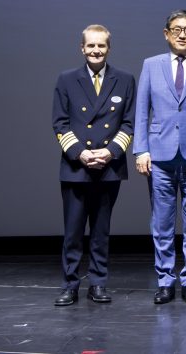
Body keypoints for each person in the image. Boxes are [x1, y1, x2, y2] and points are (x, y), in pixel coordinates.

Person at [133, 10, 186, 305]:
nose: (182, 34)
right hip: (159, 155)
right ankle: (165, 280)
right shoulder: (151, 65)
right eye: (177, 29)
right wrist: (141, 149)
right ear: (166, 33)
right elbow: (142, 109)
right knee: (162, 222)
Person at [51, 24, 136, 306]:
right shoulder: (67, 79)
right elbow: (60, 123)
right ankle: (70, 284)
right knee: (73, 232)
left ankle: (98, 283)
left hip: (108, 167)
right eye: (91, 46)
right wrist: (80, 153)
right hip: (76, 167)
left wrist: (110, 152)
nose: (96, 51)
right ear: (82, 48)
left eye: (101, 46)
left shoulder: (124, 80)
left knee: (101, 231)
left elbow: (129, 122)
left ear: (108, 48)